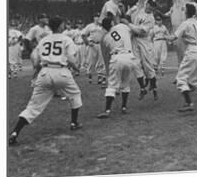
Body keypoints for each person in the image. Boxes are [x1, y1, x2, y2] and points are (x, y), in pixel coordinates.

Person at [8, 16, 82, 145]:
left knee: (33, 107)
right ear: (60, 26)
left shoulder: (44, 40)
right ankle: (74, 122)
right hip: (61, 71)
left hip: (45, 72)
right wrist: (76, 68)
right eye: (63, 24)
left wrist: (37, 68)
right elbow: (71, 59)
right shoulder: (66, 39)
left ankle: (15, 132)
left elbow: (35, 58)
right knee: (75, 95)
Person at [166, 3, 197, 112]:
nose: (183, 12)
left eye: (184, 10)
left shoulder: (185, 23)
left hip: (191, 51)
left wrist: (164, 37)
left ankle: (189, 103)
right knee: (195, 79)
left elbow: (174, 37)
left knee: (180, 79)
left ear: (187, 12)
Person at [97, 17, 136, 118]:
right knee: (126, 83)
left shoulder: (105, 38)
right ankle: (124, 107)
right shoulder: (122, 26)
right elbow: (132, 33)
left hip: (117, 57)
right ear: (112, 22)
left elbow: (107, 53)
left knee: (112, 85)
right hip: (129, 57)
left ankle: (107, 110)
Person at [126, 0, 159, 100]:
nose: (151, 8)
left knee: (148, 65)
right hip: (134, 39)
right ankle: (142, 88)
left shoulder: (151, 19)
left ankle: (154, 89)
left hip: (144, 40)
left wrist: (128, 24)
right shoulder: (140, 8)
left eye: (153, 7)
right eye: (150, 5)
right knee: (135, 64)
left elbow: (140, 30)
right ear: (147, 4)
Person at [81, 14, 106, 87]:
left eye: (99, 17)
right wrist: (88, 43)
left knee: (101, 61)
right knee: (91, 61)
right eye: (96, 16)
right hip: (92, 44)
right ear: (94, 18)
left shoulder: (102, 26)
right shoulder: (90, 26)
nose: (97, 18)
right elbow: (83, 35)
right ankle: (90, 77)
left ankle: (101, 78)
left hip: (101, 44)